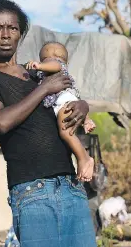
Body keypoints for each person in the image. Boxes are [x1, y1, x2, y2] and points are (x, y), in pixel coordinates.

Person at [0, 0, 98, 246]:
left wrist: (83, 106)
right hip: (32, 191)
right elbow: (2, 122)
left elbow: (65, 97)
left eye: (13, 28)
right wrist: (44, 89)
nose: (5, 35)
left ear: (20, 34)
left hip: (70, 186)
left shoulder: (38, 73)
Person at [25, 42, 96, 182]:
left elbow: (55, 65)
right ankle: (87, 122)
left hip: (64, 101)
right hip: (67, 101)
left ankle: (84, 158)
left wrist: (39, 65)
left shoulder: (56, 66)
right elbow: (78, 100)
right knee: (69, 130)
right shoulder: (46, 73)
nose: (50, 58)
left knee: (66, 132)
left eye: (52, 57)